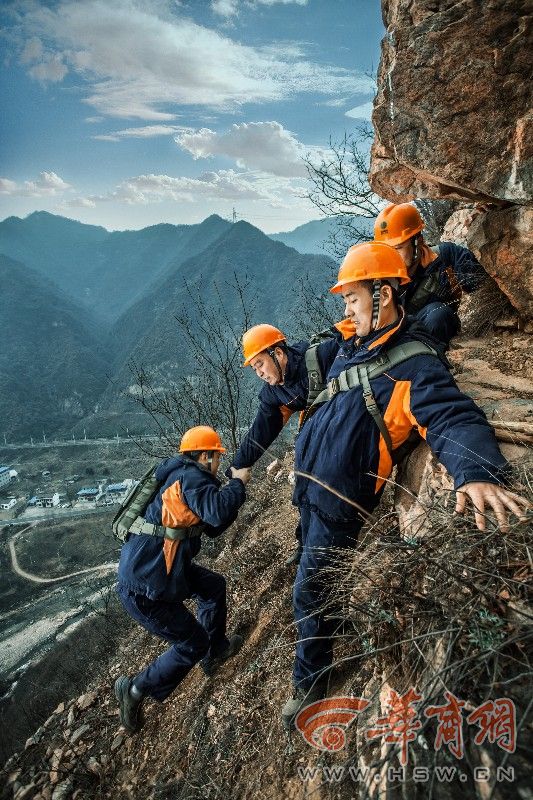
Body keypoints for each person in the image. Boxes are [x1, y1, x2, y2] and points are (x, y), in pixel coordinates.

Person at [282, 241, 531, 728]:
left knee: (308, 590)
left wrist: (477, 472)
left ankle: (310, 680)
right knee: (307, 570)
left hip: (339, 501)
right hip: (310, 490)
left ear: (384, 295)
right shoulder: (353, 347)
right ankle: (330, 628)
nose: (347, 309)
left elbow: (452, 415)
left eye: (353, 298)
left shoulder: (414, 364)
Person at [114, 425, 251, 733]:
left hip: (160, 570)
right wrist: (238, 485)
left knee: (212, 587)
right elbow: (216, 512)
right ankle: (134, 690)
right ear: (205, 456)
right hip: (146, 585)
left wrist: (231, 491)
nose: (217, 462)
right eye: (216, 457)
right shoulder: (190, 478)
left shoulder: (182, 478)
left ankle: (216, 650)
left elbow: (212, 526)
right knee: (191, 643)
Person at [229, 321, 354, 566]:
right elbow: (260, 432)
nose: (260, 373)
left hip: (346, 420)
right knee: (303, 482)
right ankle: (305, 543)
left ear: (278, 353)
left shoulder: (320, 355)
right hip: (321, 430)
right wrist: (238, 465)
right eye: (255, 369)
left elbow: (352, 345)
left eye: (260, 364)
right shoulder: (274, 393)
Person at [374, 202, 486, 346]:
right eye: (387, 250)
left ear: (418, 242)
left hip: (432, 332)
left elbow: (481, 283)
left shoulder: (445, 257)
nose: (392, 257)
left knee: (438, 314)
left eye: (398, 248)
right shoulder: (379, 279)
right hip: (395, 341)